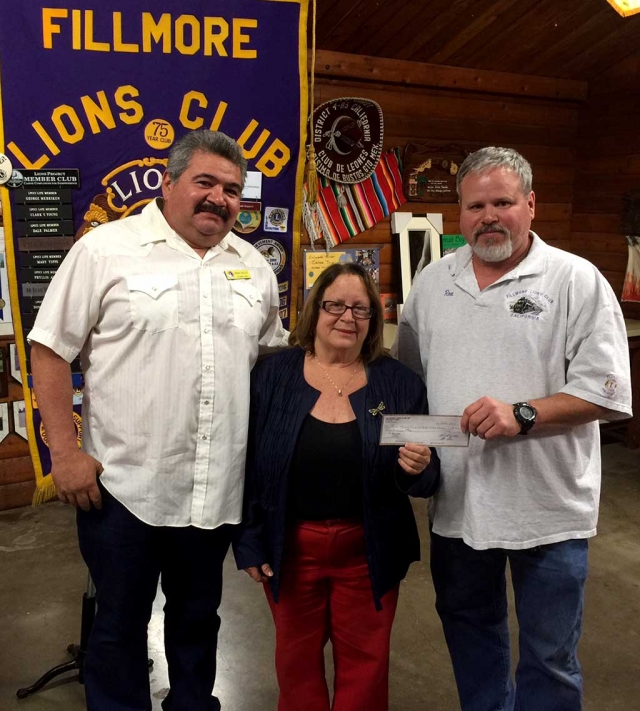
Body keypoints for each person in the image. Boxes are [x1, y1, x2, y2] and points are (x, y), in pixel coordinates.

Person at [28, 129, 288, 711]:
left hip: (215, 489)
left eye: (231, 190)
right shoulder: (105, 250)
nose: (219, 199)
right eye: (205, 182)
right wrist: (65, 455)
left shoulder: (254, 268)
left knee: (198, 622)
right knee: (118, 628)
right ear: (167, 183)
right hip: (123, 490)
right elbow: (49, 350)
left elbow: (270, 367)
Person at [394, 146, 633, 711]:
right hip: (460, 506)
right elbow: (409, 386)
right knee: (470, 634)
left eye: (503, 202)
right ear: (460, 213)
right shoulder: (432, 285)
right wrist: (410, 445)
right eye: (476, 205)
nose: (489, 216)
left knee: (550, 656)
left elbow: (608, 391)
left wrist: (522, 414)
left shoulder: (576, 280)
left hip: (550, 508)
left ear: (531, 205)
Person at [233, 262, 439, 711]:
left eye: (361, 309)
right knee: (296, 664)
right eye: (335, 306)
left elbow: (428, 477)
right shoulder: (272, 377)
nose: (348, 317)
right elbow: (246, 464)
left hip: (369, 549)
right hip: (290, 549)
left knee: (367, 667)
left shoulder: (400, 384)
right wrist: (249, 541)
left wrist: (415, 467)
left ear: (373, 320)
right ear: (315, 310)